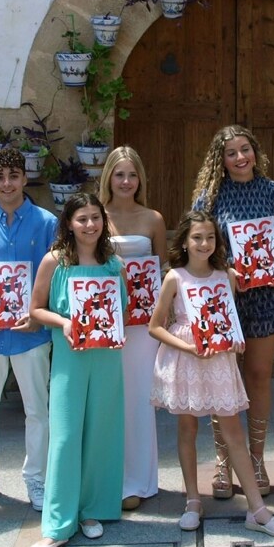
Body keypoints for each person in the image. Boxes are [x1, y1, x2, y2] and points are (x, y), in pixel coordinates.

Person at [148, 210, 274, 537]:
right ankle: (193, 500)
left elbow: (226, 316)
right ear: (184, 241)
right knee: (186, 428)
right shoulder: (175, 277)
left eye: (210, 237)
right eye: (197, 237)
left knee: (233, 431)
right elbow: (155, 326)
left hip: (218, 360)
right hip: (187, 357)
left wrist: (236, 339)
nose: (204, 243)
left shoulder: (226, 275)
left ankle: (256, 509)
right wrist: (187, 348)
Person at [27, 193, 127, 547]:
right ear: (69, 223)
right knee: (66, 437)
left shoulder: (113, 263)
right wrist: (66, 321)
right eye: (82, 218)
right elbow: (36, 309)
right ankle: (56, 526)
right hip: (69, 358)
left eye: (95, 218)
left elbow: (124, 308)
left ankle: (91, 510)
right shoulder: (55, 261)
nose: (90, 225)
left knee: (100, 434)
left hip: (107, 358)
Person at [191, 125, 274, 499]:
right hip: (222, 301)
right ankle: (223, 461)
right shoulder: (209, 198)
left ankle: (257, 458)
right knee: (223, 378)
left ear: (255, 151)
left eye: (245, 149)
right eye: (231, 153)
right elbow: (197, 247)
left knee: (260, 375)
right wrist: (226, 270)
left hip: (265, 298)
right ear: (221, 159)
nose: (240, 158)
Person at [0, 147, 58, 512]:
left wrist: (40, 313)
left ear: (24, 178)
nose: (7, 184)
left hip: (31, 333)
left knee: (37, 409)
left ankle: (36, 477)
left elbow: (54, 275)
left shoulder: (48, 223)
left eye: (14, 176)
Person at [98, 146, 165, 511]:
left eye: (132, 175)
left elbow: (164, 270)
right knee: (107, 399)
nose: (126, 181)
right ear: (108, 176)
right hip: (105, 323)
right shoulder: (94, 217)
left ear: (140, 179)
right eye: (119, 174)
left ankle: (139, 479)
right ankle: (108, 477)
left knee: (140, 397)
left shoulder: (152, 218)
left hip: (140, 326)